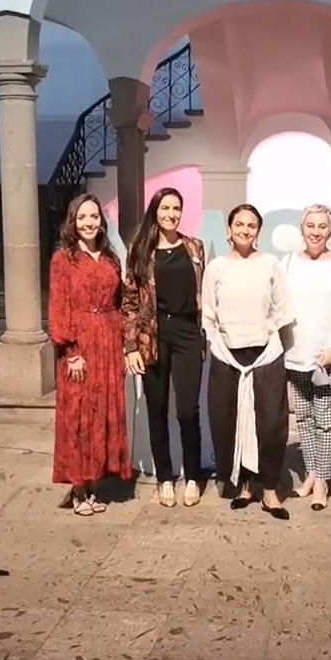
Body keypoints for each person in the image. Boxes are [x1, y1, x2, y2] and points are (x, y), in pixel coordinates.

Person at [201, 204, 292, 520]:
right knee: (230, 421)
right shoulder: (216, 267)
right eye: (239, 224)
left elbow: (282, 308)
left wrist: (269, 337)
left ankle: (270, 489)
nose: (245, 230)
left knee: (271, 424)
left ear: (258, 231)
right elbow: (208, 313)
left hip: (265, 356)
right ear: (229, 229)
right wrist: (218, 345)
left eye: (251, 225)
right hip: (228, 356)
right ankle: (245, 485)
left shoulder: (270, 264)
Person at [48, 193, 132, 516]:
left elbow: (120, 303)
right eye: (82, 217)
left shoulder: (111, 258)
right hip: (80, 344)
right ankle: (79, 487)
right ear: (73, 221)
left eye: (94, 217)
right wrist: (71, 351)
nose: (88, 223)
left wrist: (124, 345)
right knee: (79, 415)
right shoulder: (63, 259)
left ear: (102, 221)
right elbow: (58, 306)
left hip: (108, 342)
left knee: (102, 413)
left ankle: (94, 482)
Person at [123, 187, 207, 508]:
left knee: (187, 410)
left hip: (187, 333)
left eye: (176, 208)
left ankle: (194, 476)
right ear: (155, 211)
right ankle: (165, 478)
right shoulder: (140, 250)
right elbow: (130, 301)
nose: (171, 214)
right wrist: (130, 345)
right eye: (165, 208)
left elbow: (203, 292)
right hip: (152, 335)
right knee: (156, 409)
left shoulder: (194, 247)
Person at [282, 204, 331, 511]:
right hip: (295, 353)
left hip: (326, 355)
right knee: (303, 417)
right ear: (302, 228)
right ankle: (311, 474)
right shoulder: (288, 263)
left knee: (325, 420)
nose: (316, 232)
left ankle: (322, 481)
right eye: (310, 225)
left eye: (322, 226)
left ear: (330, 230)